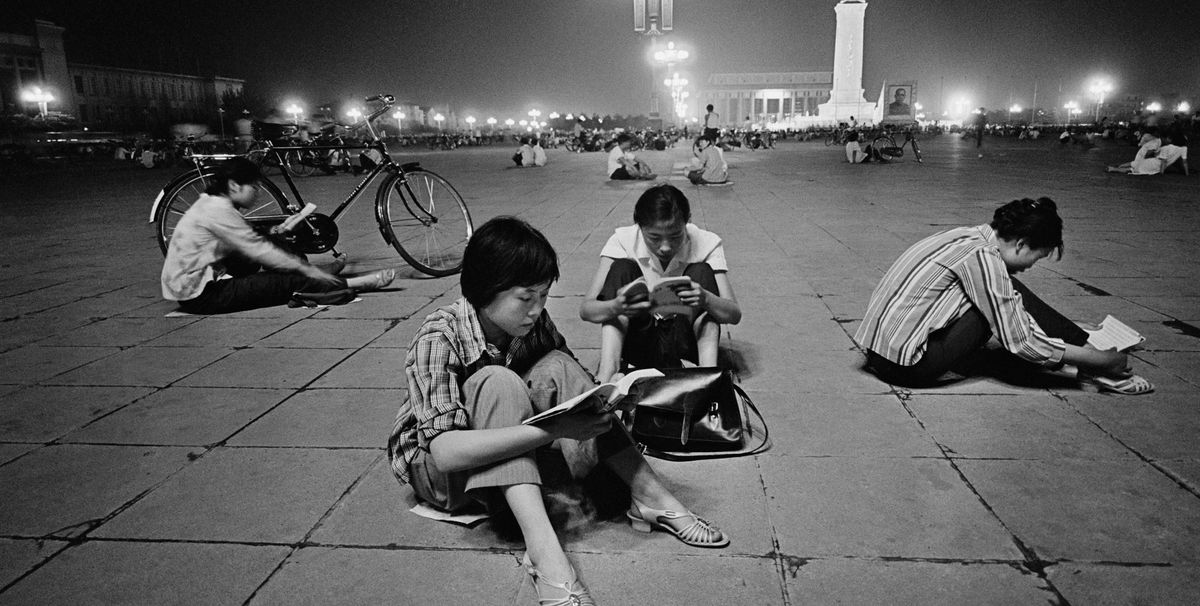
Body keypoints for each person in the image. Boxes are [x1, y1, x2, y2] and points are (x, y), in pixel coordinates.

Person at [388, 217, 728, 606]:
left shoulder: (529, 324)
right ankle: (544, 552)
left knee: (558, 365)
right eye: (526, 298)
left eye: (544, 296)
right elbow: (446, 453)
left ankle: (651, 496)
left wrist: (610, 398)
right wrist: (555, 431)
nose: (537, 309)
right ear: (485, 291)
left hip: (507, 454)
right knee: (497, 380)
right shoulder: (439, 335)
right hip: (442, 476)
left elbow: (568, 379)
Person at [856, 197, 1153, 395]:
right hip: (907, 368)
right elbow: (1020, 342)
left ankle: (1083, 348)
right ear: (1022, 244)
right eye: (1036, 258)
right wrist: (1098, 360)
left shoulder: (966, 235)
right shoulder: (984, 258)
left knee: (1008, 296)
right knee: (1006, 310)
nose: (1030, 266)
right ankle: (1096, 362)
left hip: (878, 353)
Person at [161, 157, 394, 314]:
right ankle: (350, 283)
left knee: (275, 242)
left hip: (201, 282)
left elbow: (249, 243)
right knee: (285, 282)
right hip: (204, 296)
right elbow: (264, 254)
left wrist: (277, 234)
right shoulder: (219, 211)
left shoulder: (211, 204)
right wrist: (305, 268)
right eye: (254, 187)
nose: (258, 193)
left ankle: (321, 277)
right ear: (234, 186)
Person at [580, 184, 742, 383]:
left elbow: (734, 314)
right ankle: (605, 377)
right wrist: (615, 306)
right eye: (654, 238)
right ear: (639, 227)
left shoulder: (706, 242)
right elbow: (587, 310)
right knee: (622, 268)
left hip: (684, 343)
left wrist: (706, 299)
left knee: (701, 272)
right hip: (641, 343)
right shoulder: (622, 240)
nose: (665, 247)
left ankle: (706, 377)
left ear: (687, 222)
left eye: (675, 236)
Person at [1107, 133, 1188, 175]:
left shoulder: (1162, 144)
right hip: (1146, 158)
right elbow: (1149, 154)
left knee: (1133, 165)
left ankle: (1115, 167)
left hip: (1148, 158)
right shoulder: (1158, 143)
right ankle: (1115, 168)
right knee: (1133, 167)